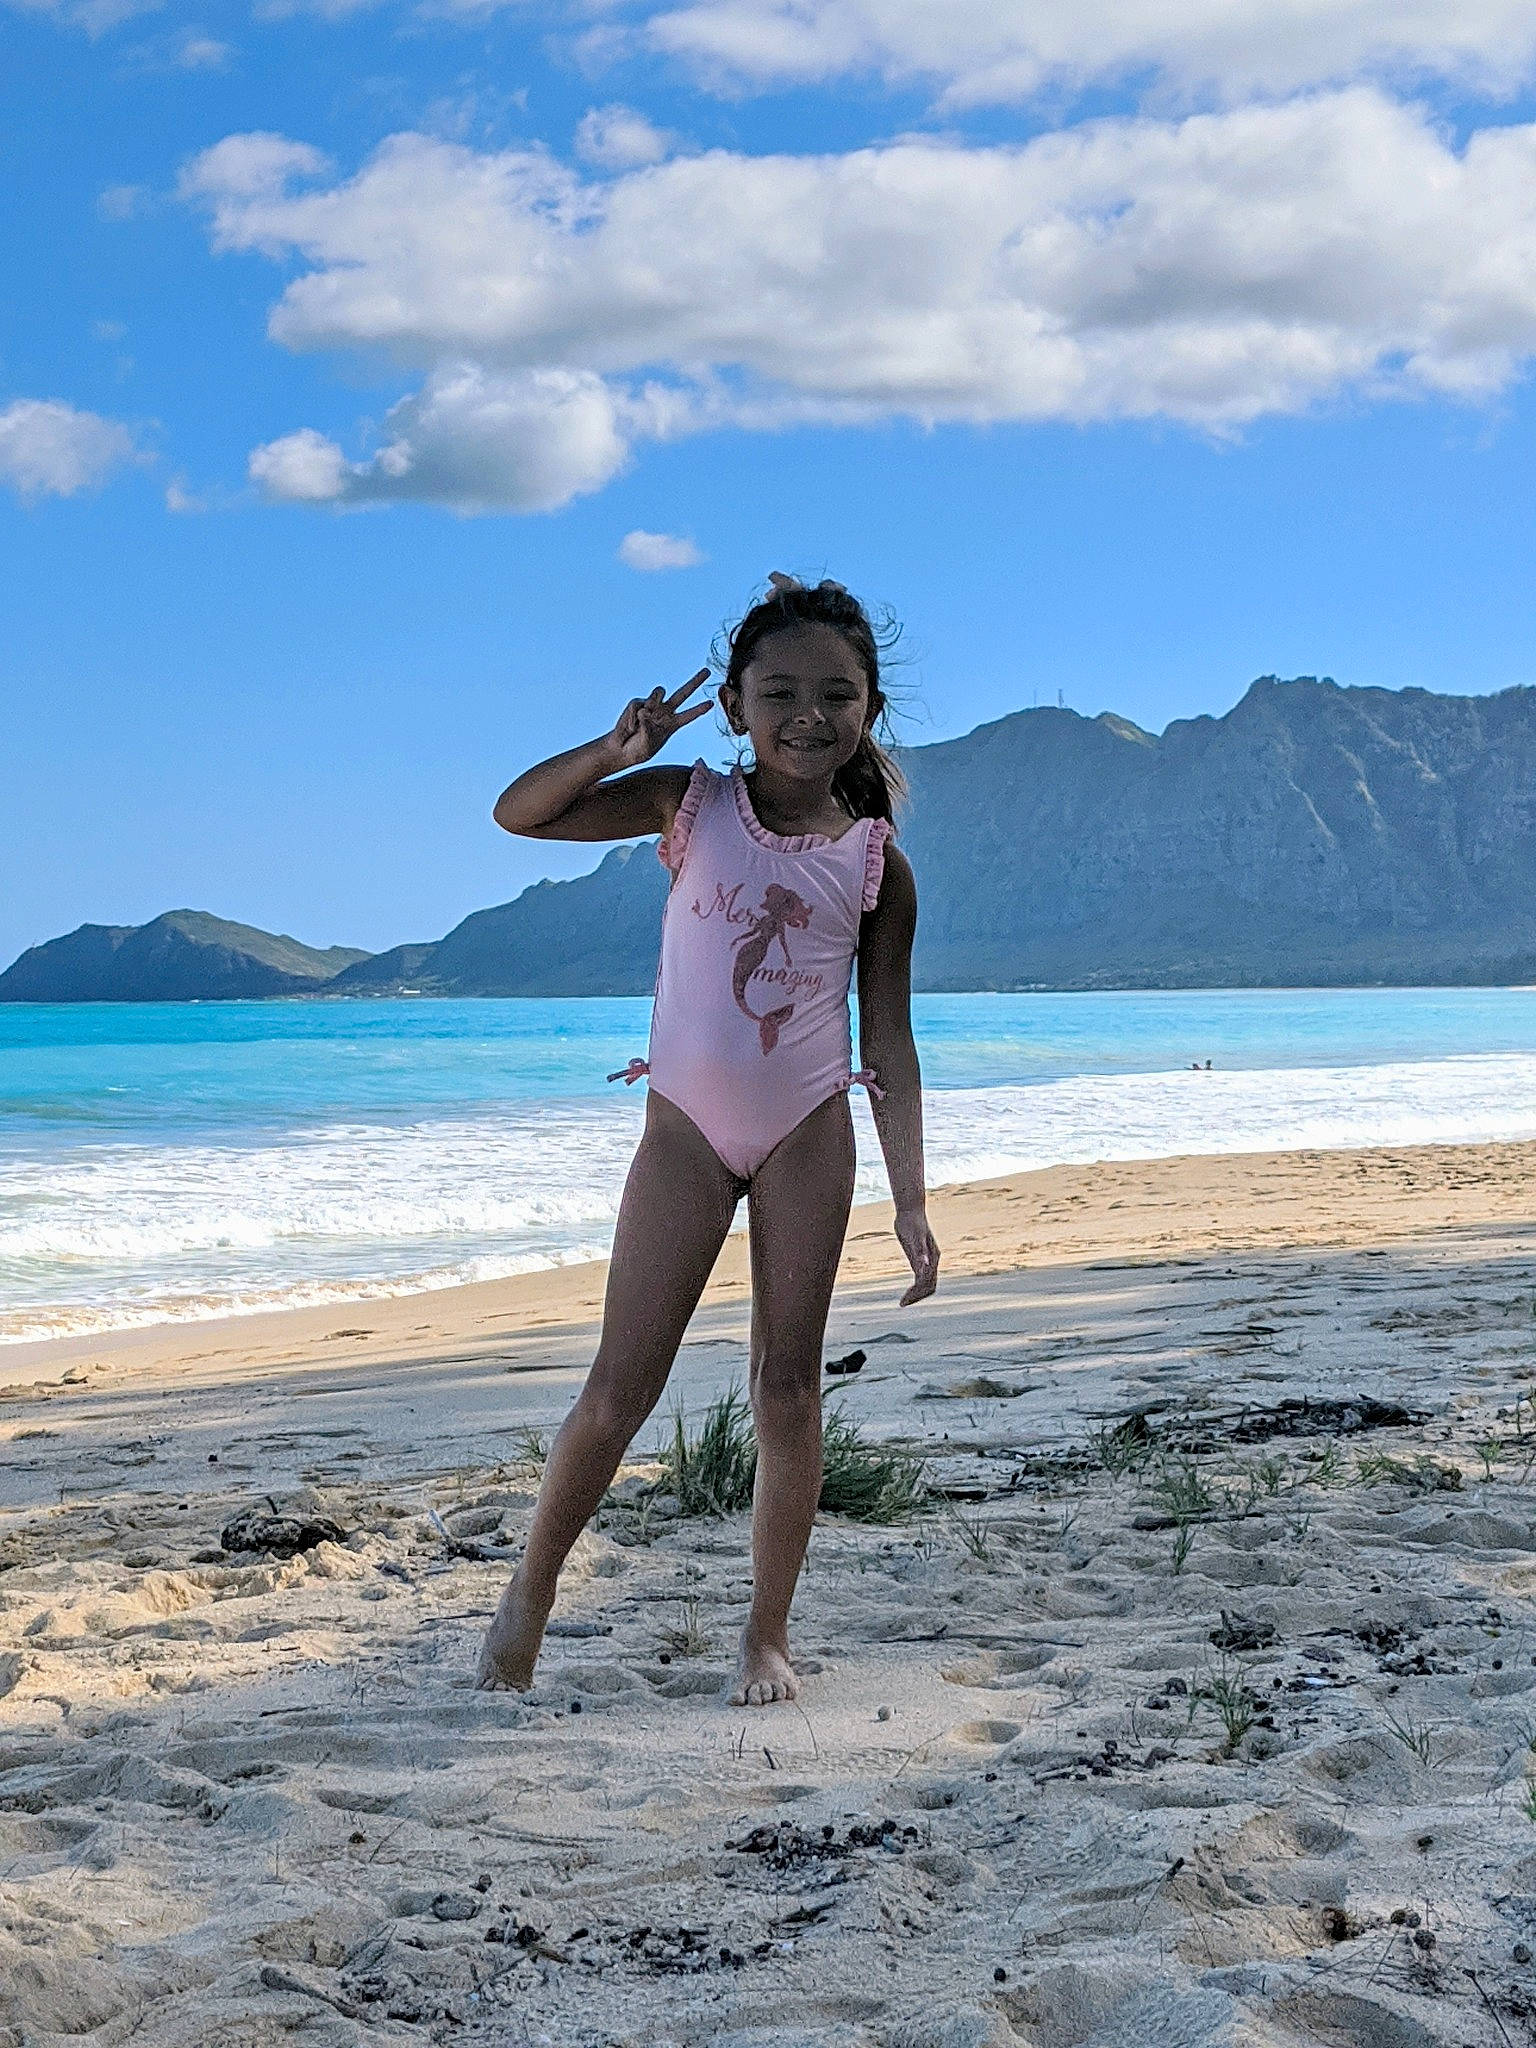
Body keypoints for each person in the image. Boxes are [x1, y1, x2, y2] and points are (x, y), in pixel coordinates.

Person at [477, 574, 939, 1706]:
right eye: (778, 691)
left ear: (870, 707)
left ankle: (766, 1634)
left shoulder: (877, 864)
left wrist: (913, 1198)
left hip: (806, 1132)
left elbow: (892, 1039)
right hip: (684, 1127)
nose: (807, 714)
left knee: (787, 1388)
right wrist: (615, 742)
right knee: (615, 1388)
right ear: (734, 704)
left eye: (836, 693)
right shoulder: (689, 802)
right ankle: (528, 1596)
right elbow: (521, 813)